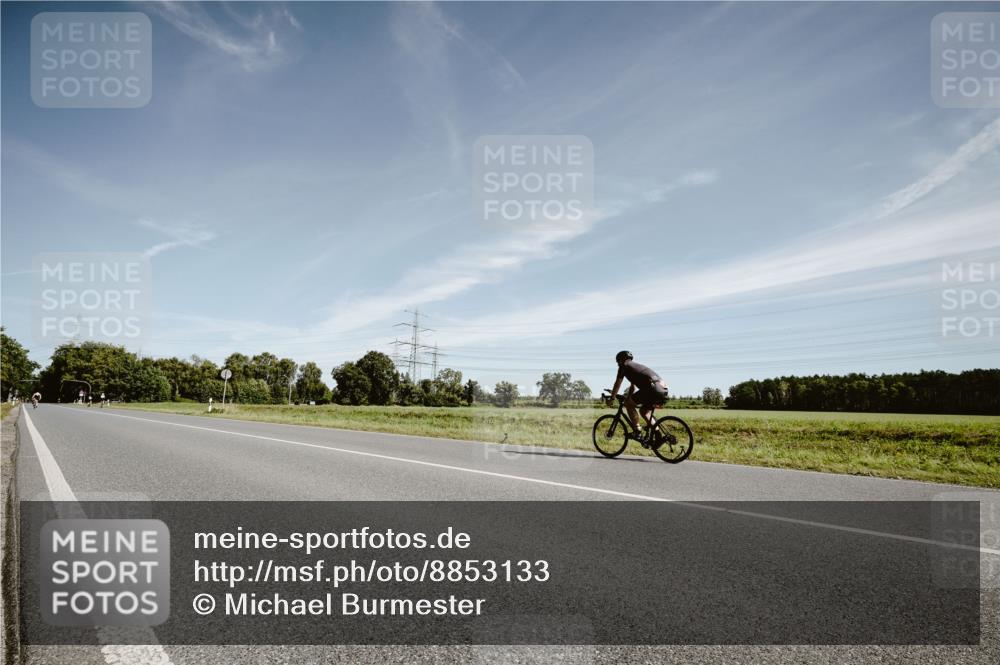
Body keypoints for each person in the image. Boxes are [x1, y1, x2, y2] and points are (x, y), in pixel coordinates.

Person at [607, 351, 668, 444]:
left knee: (628, 405)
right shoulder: (634, 367)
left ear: (621, 360)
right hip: (662, 389)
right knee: (644, 411)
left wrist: (612, 398)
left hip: (651, 389)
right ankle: (658, 436)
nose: (618, 364)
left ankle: (637, 431)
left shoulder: (624, 366)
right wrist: (628, 398)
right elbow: (633, 387)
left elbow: (617, 384)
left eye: (617, 362)